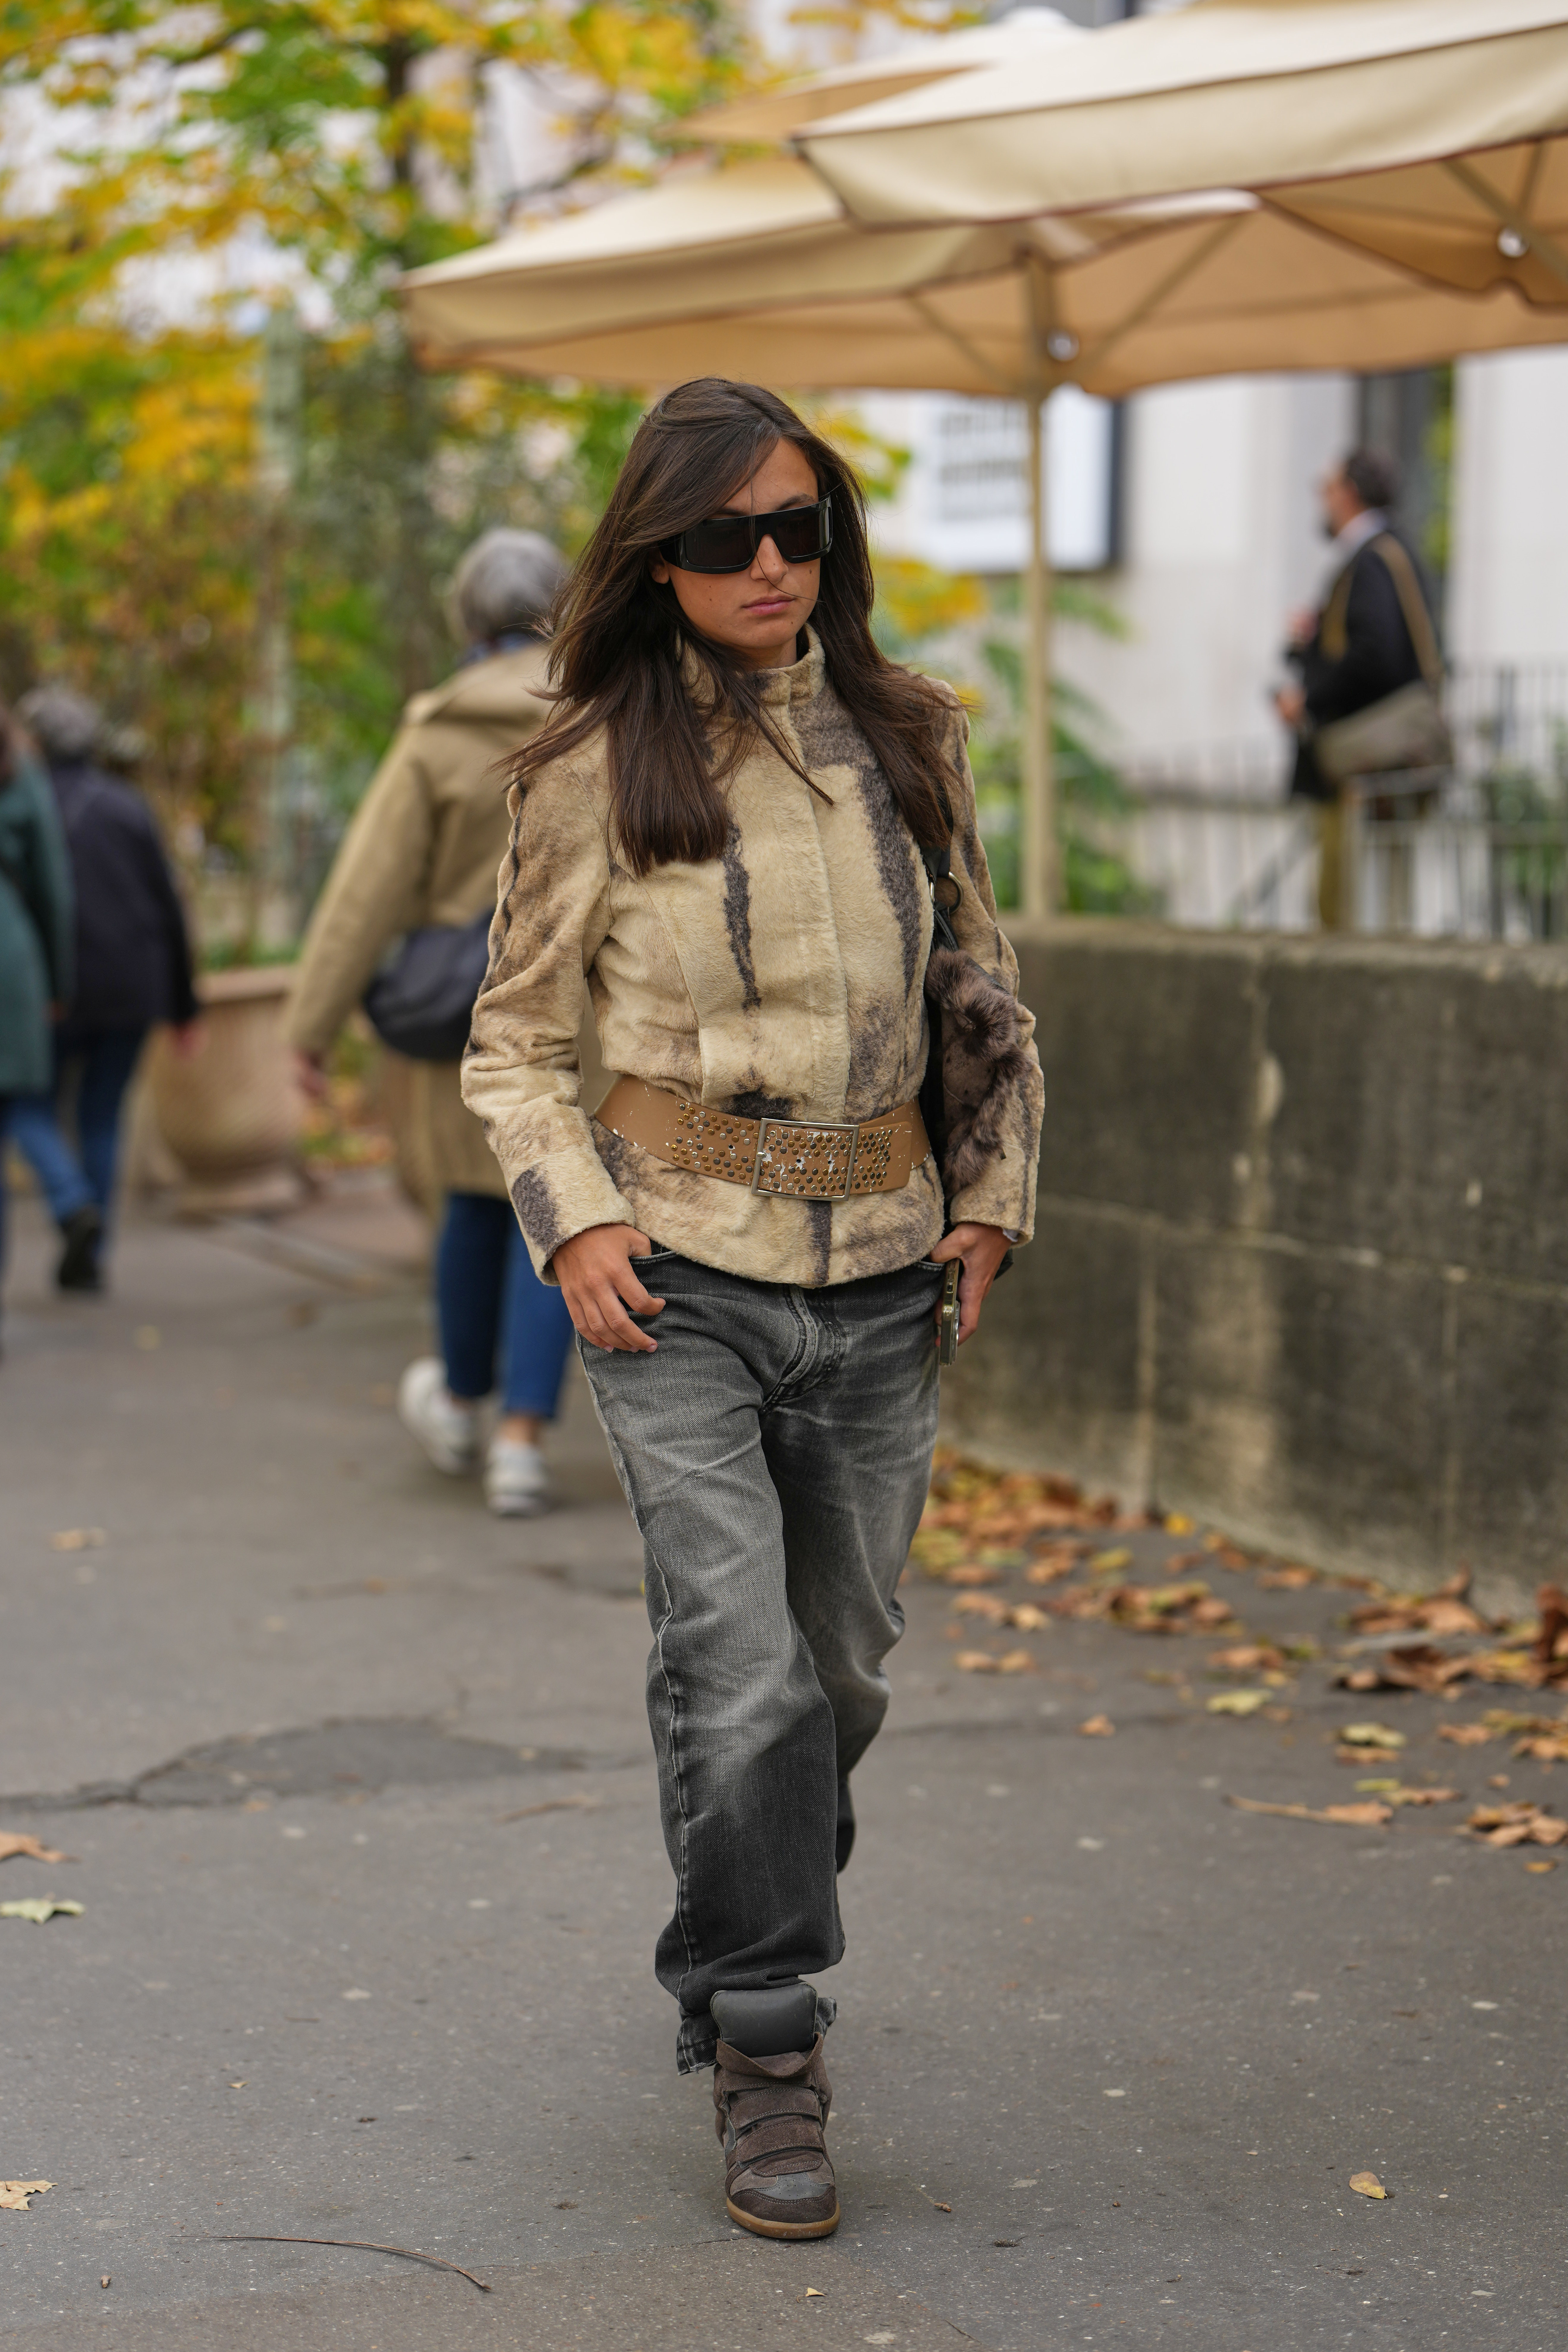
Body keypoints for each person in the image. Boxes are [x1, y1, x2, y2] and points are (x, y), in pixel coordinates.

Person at [462, 381, 1044, 2239]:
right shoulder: (580, 768)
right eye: (724, 536)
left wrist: (995, 1196)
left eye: (800, 526)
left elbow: (986, 991)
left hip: (881, 1276)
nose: (770, 562)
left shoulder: (908, 737)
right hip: (674, 1275)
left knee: (836, 1671)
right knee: (746, 1663)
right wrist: (567, 1226)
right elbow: (515, 1045)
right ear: (659, 551)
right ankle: (772, 2045)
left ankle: (726, 1912)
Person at [287, 527, 575, 1518]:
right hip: (588, 1004)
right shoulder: (604, 715)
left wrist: (310, 1031)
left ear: (467, 620)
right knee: (556, 1208)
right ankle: (522, 1444)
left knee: (473, 1200)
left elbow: (365, 894)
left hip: (475, 1010)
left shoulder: (438, 731)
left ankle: (459, 1402)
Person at [10, 685, 199, 1293]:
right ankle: (91, 1253)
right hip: (127, 988)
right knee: (101, 1115)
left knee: (31, 1104)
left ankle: (71, 1204)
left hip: (48, 991)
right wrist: (184, 1004)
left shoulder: (26, 800)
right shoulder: (127, 806)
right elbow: (167, 907)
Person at [1276, 448, 1440, 930]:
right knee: (1391, 881)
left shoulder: (1371, 560)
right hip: (1393, 749)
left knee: (1347, 890)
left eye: (1326, 488)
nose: (1322, 501)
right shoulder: (1393, 552)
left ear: (1349, 493)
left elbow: (1375, 655)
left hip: (1366, 753)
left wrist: (1310, 697)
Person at [0, 702, 75, 1338]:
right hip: (12, 956)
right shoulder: (17, 766)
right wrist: (58, 983)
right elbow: (53, 886)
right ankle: (74, 1198)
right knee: (23, 1107)